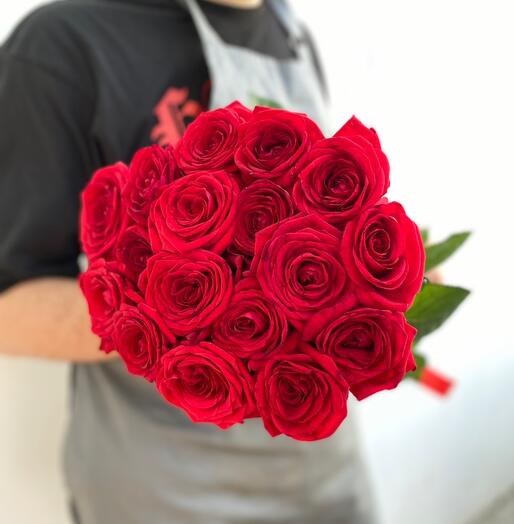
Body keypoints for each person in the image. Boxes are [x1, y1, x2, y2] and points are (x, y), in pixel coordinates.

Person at [0, 1, 378, 522]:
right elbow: (9, 308)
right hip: (167, 484)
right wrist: (187, 313)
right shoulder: (62, 45)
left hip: (320, 468)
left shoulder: (290, 32)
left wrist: (370, 290)